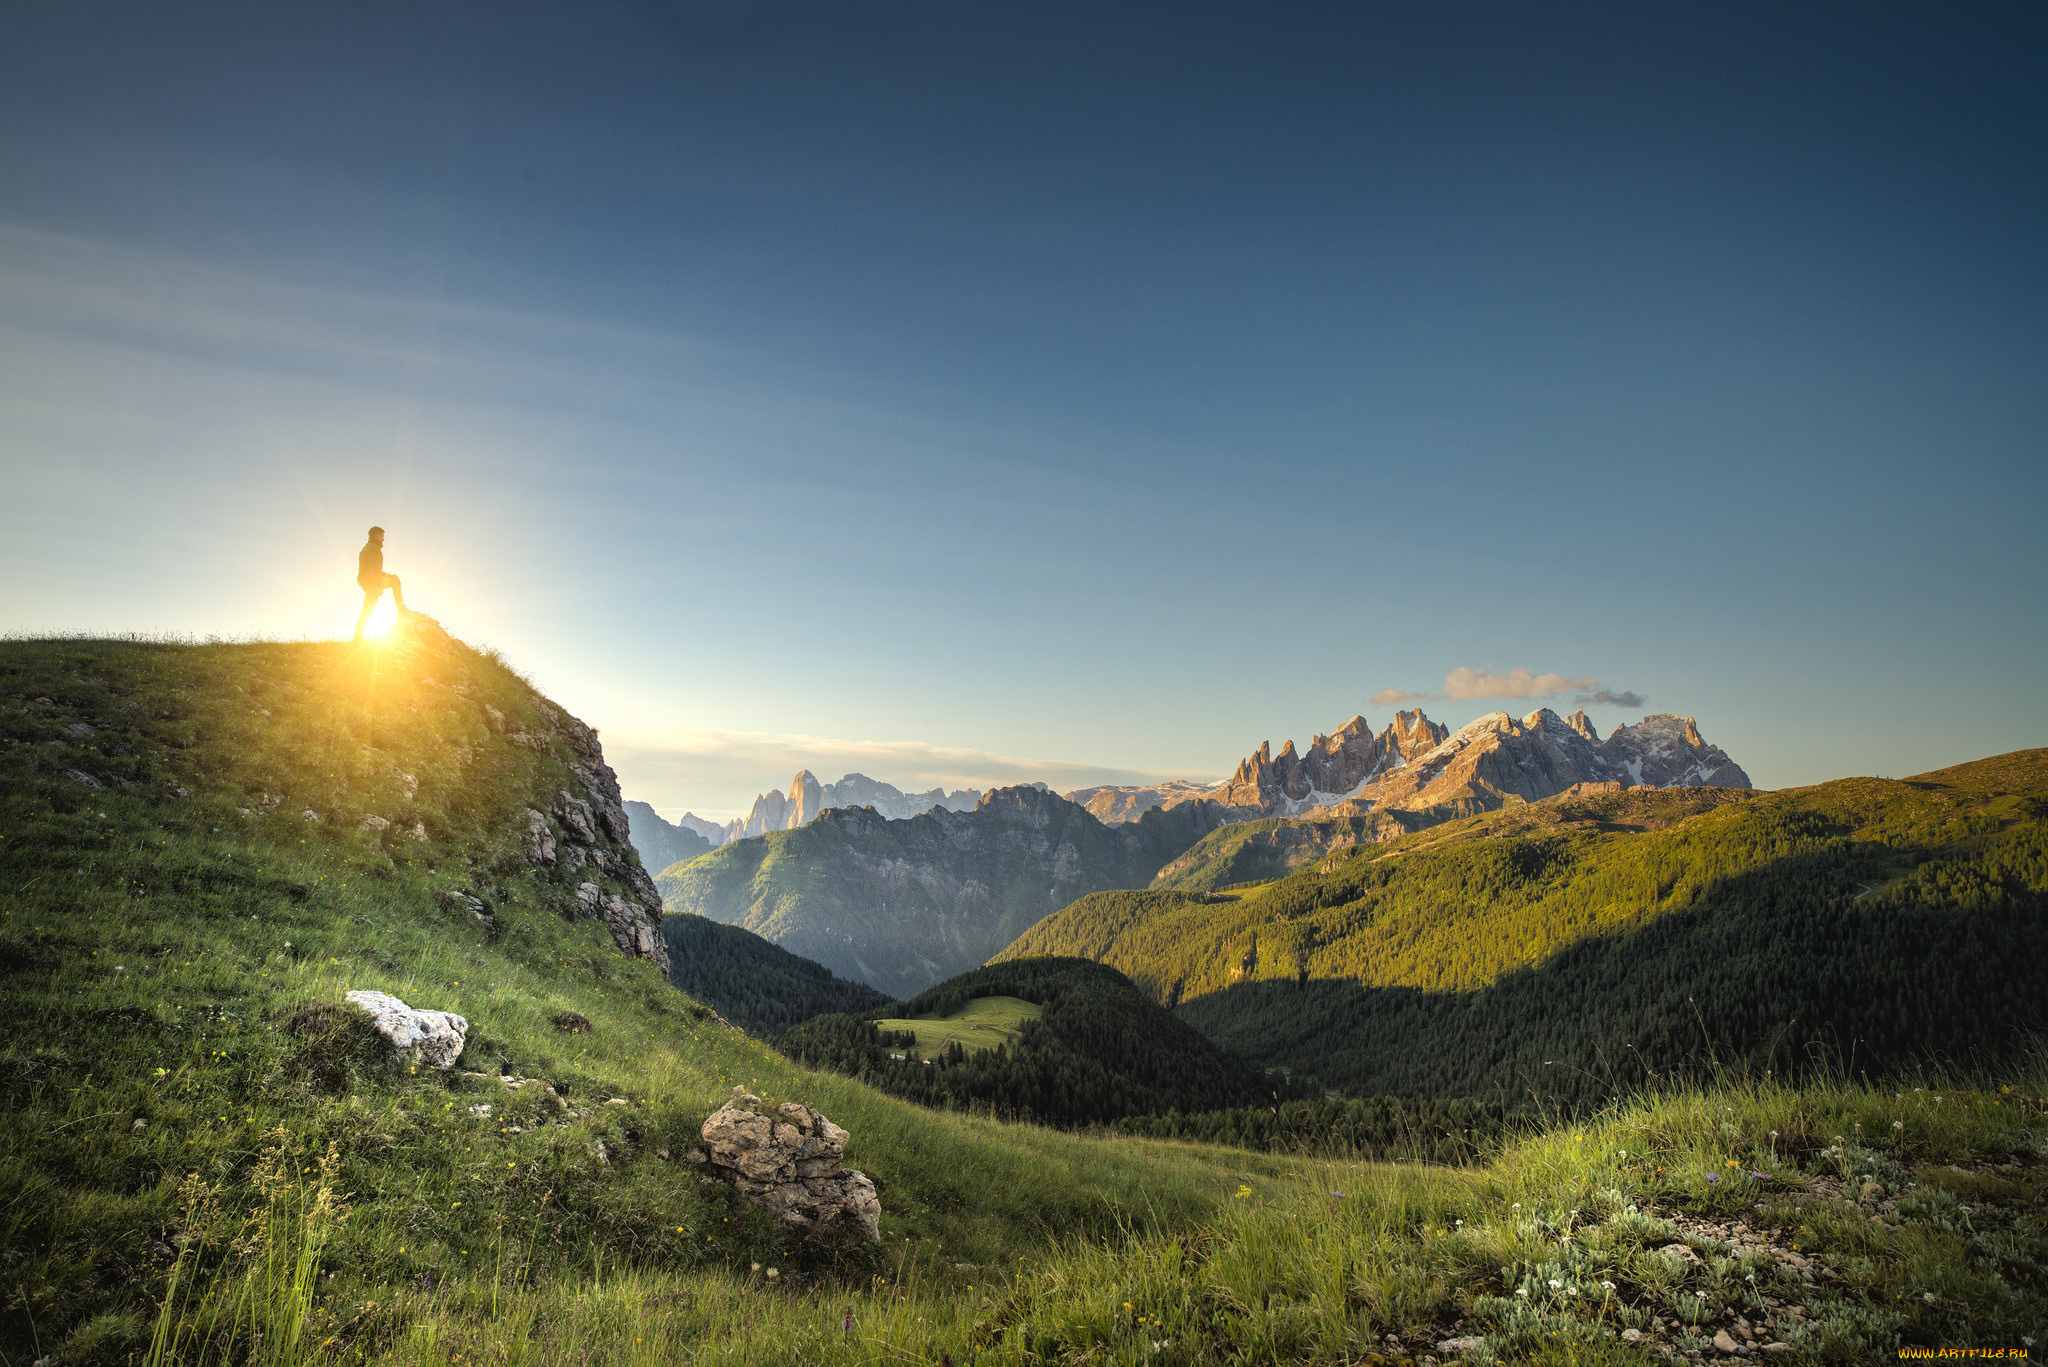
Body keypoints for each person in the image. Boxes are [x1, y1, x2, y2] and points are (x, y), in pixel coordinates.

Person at [353, 526, 409, 640]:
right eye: (382, 536)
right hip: (372, 582)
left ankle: (357, 637)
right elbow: (373, 570)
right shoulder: (374, 549)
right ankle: (401, 609)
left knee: (367, 610)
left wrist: (387, 576)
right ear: (376, 536)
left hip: (367, 581)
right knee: (395, 582)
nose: (383, 539)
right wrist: (377, 587)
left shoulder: (366, 548)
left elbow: (370, 569)